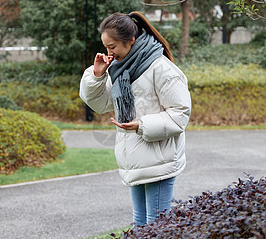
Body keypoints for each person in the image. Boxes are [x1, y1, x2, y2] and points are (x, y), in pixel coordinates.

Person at [79, 12, 191, 226]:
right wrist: (97, 76)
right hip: (135, 159)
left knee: (156, 225)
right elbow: (100, 104)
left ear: (130, 40)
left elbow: (180, 114)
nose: (108, 52)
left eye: (112, 47)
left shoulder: (162, 68)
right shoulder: (119, 70)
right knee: (140, 223)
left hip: (159, 160)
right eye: (106, 47)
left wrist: (142, 125)